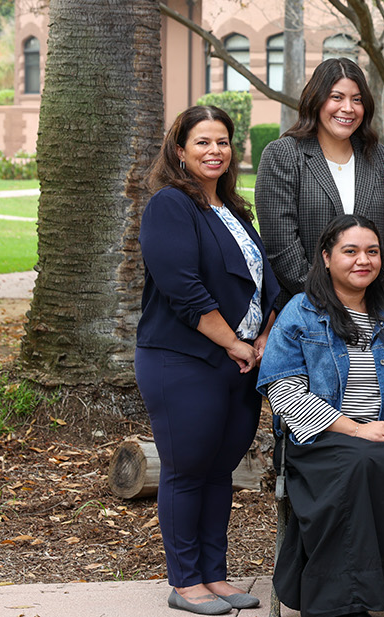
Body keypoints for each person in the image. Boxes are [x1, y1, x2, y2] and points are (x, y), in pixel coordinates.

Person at [257, 215, 384, 616]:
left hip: (382, 435)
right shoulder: (301, 313)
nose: (364, 260)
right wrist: (358, 430)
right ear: (326, 257)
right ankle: (339, 603)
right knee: (357, 466)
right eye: (351, 251)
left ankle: (382, 587)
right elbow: (284, 394)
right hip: (318, 438)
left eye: (372, 252)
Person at [136, 105, 280, 615]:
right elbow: (185, 291)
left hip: (239, 363)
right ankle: (185, 581)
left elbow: (266, 283)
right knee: (186, 468)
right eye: (202, 142)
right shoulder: (170, 206)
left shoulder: (234, 209)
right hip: (184, 359)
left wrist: (262, 339)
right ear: (179, 150)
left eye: (222, 141)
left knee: (221, 471)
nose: (214, 150)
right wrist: (236, 344)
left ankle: (214, 576)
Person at [257, 58, 384, 308]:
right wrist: (333, 303)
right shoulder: (284, 155)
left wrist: (375, 299)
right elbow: (281, 246)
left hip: (374, 311)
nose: (348, 108)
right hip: (304, 309)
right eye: (337, 97)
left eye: (357, 100)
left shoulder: (381, 159)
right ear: (316, 100)